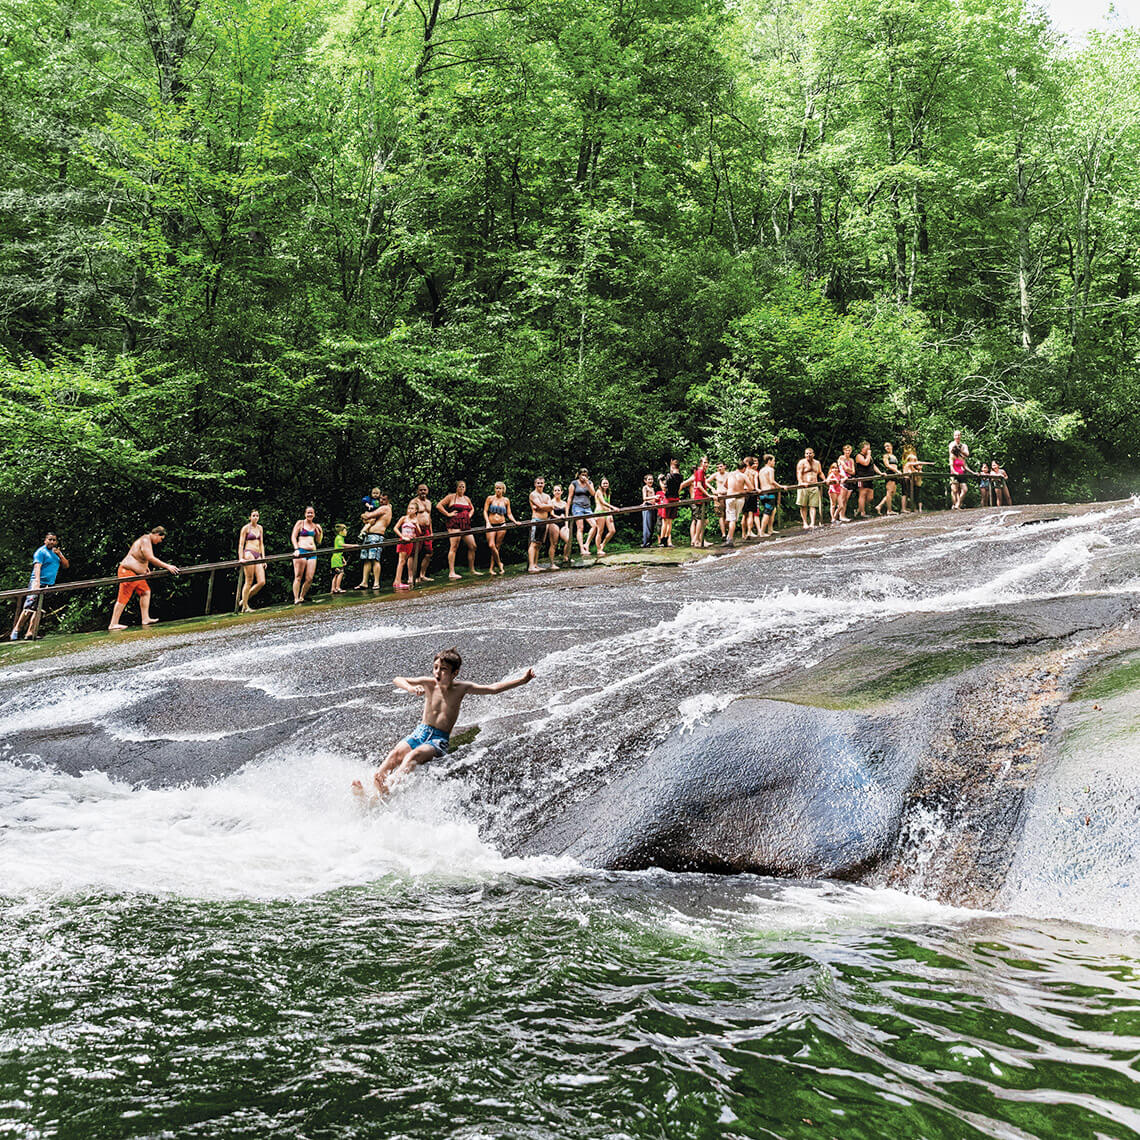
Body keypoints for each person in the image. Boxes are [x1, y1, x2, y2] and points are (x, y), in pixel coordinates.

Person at [352, 647, 536, 800]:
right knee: (394, 755)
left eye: (443, 669)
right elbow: (397, 679)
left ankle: (388, 790)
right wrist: (410, 687)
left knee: (413, 756)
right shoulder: (428, 683)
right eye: (435, 667)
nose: (437, 672)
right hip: (420, 732)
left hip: (437, 740)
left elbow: (493, 689)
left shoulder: (461, 688)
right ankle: (372, 788)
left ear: (455, 673)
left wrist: (523, 680)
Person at [109, 527, 180, 630]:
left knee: (145, 591)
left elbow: (140, 556)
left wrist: (144, 568)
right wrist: (167, 566)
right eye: (161, 538)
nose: (160, 541)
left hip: (136, 574)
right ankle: (113, 624)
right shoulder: (145, 539)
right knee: (124, 596)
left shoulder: (146, 541)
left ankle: (145, 618)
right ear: (157, 534)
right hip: (127, 572)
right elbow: (150, 557)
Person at [10, 532, 68, 641]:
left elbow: (66, 565)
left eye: (54, 540)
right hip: (38, 582)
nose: (52, 542)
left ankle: (30, 632)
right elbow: (37, 567)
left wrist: (60, 555)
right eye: (50, 539)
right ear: (45, 540)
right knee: (29, 608)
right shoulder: (40, 552)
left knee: (40, 610)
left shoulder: (56, 553)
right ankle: (16, 630)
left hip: (49, 585)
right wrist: (36, 582)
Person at [437, 480, 483, 581]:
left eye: (463, 487)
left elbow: (472, 508)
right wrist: (448, 514)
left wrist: (469, 515)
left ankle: (472, 569)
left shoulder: (466, 498)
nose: (461, 488)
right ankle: (451, 572)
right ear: (456, 488)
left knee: (473, 546)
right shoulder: (451, 497)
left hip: (465, 524)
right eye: (460, 487)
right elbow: (439, 506)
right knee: (454, 546)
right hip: (454, 524)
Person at [356, 492, 391, 590]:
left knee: (375, 559)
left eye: (384, 499)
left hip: (376, 536)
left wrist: (365, 515)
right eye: (380, 499)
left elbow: (367, 517)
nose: (381, 501)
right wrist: (366, 518)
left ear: (389, 500)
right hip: (368, 535)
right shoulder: (379, 508)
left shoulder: (386, 508)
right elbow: (367, 519)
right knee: (366, 559)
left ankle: (376, 583)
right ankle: (364, 582)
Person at [290, 506, 323, 604]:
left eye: (311, 513)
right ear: (305, 514)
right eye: (308, 513)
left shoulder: (315, 525)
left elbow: (318, 541)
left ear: (314, 514)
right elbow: (293, 537)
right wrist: (296, 549)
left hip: (312, 552)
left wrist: (319, 532)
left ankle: (301, 596)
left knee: (309, 578)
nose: (310, 515)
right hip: (301, 551)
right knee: (298, 576)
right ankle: (296, 598)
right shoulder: (300, 523)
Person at [482, 482, 516, 575]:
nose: (498, 490)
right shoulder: (490, 498)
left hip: (502, 524)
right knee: (491, 545)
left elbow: (509, 514)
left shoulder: (506, 500)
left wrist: (515, 521)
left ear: (503, 490)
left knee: (497, 547)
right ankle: (500, 564)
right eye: (496, 488)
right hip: (491, 525)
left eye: (500, 488)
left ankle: (491, 568)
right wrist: (487, 522)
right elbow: (485, 511)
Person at [527, 476, 559, 572]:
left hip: (545, 521)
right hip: (536, 520)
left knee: (539, 544)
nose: (540, 485)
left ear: (544, 484)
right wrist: (545, 506)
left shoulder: (547, 496)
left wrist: (542, 507)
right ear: (535, 484)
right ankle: (531, 566)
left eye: (542, 483)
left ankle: (536, 564)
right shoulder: (533, 495)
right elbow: (541, 506)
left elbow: (551, 507)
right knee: (533, 543)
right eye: (538, 483)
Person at [238, 510, 266, 613]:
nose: (255, 517)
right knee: (249, 580)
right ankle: (245, 607)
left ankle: (243, 600)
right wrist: (241, 558)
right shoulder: (245, 528)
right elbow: (241, 544)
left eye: (257, 516)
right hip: (249, 553)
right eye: (253, 515)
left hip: (258, 554)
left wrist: (263, 558)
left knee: (262, 581)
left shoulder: (260, 528)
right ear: (250, 517)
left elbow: (261, 543)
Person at [680, 456, 710, 547]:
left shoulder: (700, 475)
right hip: (695, 499)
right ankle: (695, 539)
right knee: (697, 520)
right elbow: (682, 484)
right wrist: (677, 496)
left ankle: (699, 539)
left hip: (698, 499)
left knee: (699, 520)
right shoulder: (693, 477)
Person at [568, 468, 597, 557]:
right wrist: (567, 510)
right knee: (580, 528)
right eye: (582, 475)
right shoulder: (574, 483)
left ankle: (586, 544)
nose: (583, 476)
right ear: (579, 475)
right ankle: (581, 549)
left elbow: (593, 493)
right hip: (577, 507)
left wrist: (587, 483)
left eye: (585, 475)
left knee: (594, 525)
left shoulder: (590, 482)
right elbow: (569, 497)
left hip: (587, 507)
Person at [408, 485, 434, 583]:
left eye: (425, 490)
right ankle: (411, 577)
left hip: (426, 529)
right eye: (421, 490)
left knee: (429, 552)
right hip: (416, 529)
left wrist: (431, 531)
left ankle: (422, 575)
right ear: (417, 491)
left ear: (427, 491)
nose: (423, 491)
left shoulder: (429, 502)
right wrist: (411, 530)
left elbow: (429, 517)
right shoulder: (414, 502)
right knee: (413, 553)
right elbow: (409, 515)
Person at [722, 459, 749, 547]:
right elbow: (751, 487)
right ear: (744, 468)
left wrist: (731, 488)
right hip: (740, 498)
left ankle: (729, 538)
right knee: (733, 520)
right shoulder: (743, 476)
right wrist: (743, 490)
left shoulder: (730, 474)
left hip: (730, 497)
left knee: (731, 519)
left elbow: (724, 485)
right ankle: (729, 538)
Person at [757, 454, 784, 537]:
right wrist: (781, 486)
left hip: (763, 494)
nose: (774, 462)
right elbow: (772, 481)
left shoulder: (761, 470)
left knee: (773, 510)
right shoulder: (770, 469)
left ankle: (770, 529)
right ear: (769, 461)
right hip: (769, 493)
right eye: (773, 461)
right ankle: (761, 532)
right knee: (767, 512)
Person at [795, 448, 823, 529]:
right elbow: (799, 473)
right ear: (804, 454)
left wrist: (825, 480)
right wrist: (801, 482)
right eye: (807, 453)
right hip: (804, 486)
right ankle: (805, 523)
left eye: (810, 453)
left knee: (813, 505)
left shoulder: (817, 463)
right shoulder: (802, 462)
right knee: (803, 505)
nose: (808, 455)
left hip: (814, 485)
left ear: (813, 454)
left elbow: (820, 473)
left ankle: (812, 523)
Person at [392, 511, 419, 590]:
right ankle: (398, 582)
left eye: (412, 508)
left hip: (410, 542)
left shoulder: (415, 520)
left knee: (403, 561)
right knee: (401, 561)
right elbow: (395, 528)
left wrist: (416, 524)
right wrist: (402, 536)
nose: (410, 510)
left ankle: (396, 581)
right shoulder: (404, 518)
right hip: (403, 541)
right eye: (409, 508)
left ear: (415, 510)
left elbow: (419, 532)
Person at [853, 442, 880, 518]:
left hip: (870, 478)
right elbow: (865, 463)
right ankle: (862, 513)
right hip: (862, 478)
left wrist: (880, 472)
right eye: (867, 448)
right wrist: (868, 455)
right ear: (862, 449)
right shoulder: (859, 456)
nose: (869, 450)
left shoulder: (869, 457)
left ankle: (858, 510)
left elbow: (873, 465)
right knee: (862, 495)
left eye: (869, 448)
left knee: (870, 497)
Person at [660, 459, 682, 547]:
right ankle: (666, 539)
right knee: (670, 522)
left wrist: (660, 481)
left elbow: (664, 488)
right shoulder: (680, 476)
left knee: (665, 521)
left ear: (672, 466)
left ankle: (662, 541)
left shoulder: (669, 476)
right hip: (676, 499)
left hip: (668, 499)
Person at [551, 484, 573, 562]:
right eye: (555, 490)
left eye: (558, 490)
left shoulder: (564, 503)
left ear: (562, 492)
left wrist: (566, 526)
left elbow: (566, 515)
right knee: (554, 543)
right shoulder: (551, 502)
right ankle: (552, 561)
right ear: (553, 492)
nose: (557, 492)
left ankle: (565, 556)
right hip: (554, 523)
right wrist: (559, 517)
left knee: (568, 540)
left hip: (563, 523)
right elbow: (552, 514)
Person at [594, 477, 616, 555]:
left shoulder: (608, 492)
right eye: (604, 483)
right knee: (600, 531)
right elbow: (603, 502)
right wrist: (613, 508)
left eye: (606, 483)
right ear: (600, 484)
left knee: (612, 530)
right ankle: (598, 549)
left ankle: (602, 544)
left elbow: (608, 503)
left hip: (607, 512)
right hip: (600, 512)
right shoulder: (599, 492)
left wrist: (610, 514)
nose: (605, 485)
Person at [876, 443, 900, 515]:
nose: (887, 448)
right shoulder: (886, 456)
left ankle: (879, 506)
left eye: (888, 446)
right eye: (885, 447)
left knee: (893, 492)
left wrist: (897, 472)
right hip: (890, 473)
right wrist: (897, 471)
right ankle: (889, 510)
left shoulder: (893, 456)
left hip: (895, 474)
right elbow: (887, 465)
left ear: (891, 446)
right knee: (889, 491)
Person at [901, 448, 926, 513]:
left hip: (909, 481)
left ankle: (909, 508)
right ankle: (903, 508)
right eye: (914, 460)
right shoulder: (908, 464)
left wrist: (919, 469)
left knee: (909, 494)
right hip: (905, 479)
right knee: (905, 494)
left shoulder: (911, 466)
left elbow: (916, 472)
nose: (915, 461)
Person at [949, 444, 973, 509]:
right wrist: (954, 472)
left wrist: (973, 472)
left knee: (965, 490)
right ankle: (954, 505)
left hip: (962, 474)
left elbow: (965, 467)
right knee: (954, 490)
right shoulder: (952, 456)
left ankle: (958, 504)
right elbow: (951, 466)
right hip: (954, 474)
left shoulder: (962, 457)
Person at [837, 445, 856, 522]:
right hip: (843, 479)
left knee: (846, 499)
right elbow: (845, 468)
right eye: (846, 450)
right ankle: (839, 516)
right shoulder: (841, 458)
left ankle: (843, 515)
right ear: (844, 451)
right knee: (842, 499)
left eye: (849, 450)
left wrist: (849, 470)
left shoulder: (851, 460)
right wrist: (849, 470)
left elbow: (853, 471)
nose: (848, 452)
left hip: (850, 479)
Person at [742, 457, 760, 540]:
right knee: (750, 514)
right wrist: (757, 489)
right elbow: (755, 484)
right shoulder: (754, 472)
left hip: (744, 494)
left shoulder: (742, 473)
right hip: (752, 493)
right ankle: (749, 531)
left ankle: (743, 533)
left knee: (744, 515)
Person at [712, 461, 729, 539]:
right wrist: (713, 489)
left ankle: (728, 532)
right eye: (718, 467)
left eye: (721, 466)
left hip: (727, 495)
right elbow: (706, 481)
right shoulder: (716, 475)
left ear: (724, 466)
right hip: (719, 496)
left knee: (727, 514)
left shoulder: (728, 474)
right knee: (721, 515)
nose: (719, 468)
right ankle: (723, 534)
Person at [330, 523, 348, 593]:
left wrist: (343, 559)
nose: (346, 532)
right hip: (337, 559)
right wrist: (352, 545)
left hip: (336, 558)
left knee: (336, 574)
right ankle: (338, 588)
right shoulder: (339, 537)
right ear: (341, 532)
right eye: (345, 530)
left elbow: (339, 549)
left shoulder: (339, 537)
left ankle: (333, 588)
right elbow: (342, 545)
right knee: (341, 573)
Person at [640, 474, 657, 547]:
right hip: (647, 506)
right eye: (649, 479)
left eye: (652, 479)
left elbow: (653, 499)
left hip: (652, 507)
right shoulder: (645, 488)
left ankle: (649, 542)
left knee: (652, 525)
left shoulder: (652, 489)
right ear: (645, 481)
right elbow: (644, 498)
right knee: (647, 524)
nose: (651, 481)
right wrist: (654, 497)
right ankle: (645, 543)